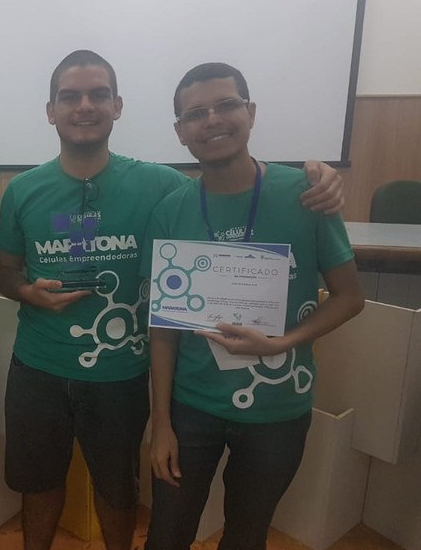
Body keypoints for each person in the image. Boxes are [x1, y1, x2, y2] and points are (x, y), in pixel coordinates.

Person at [0, 50, 345, 550]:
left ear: (118, 106)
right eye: (70, 97)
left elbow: (227, 184)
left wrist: (320, 175)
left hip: (121, 373)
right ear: (51, 110)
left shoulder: (162, 186)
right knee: (39, 485)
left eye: (98, 95)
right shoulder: (23, 190)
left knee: (118, 490)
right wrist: (24, 291)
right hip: (37, 367)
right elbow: (6, 272)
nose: (84, 106)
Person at [141, 62, 365, 550]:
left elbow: (350, 297)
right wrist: (161, 426)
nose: (212, 120)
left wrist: (283, 342)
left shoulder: (306, 194)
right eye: (195, 113)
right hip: (190, 407)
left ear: (251, 112)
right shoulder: (171, 210)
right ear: (180, 132)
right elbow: (162, 329)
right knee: (166, 535)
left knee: (246, 537)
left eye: (226, 104)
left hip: (277, 409)